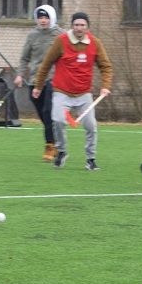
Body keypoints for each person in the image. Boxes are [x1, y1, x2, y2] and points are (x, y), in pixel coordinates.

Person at [32, 12, 112, 170]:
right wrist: (38, 86)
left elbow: (106, 66)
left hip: (84, 93)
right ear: (72, 26)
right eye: (76, 25)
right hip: (61, 91)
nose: (79, 28)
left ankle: (90, 159)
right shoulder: (61, 41)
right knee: (58, 120)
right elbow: (46, 64)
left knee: (90, 126)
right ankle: (61, 151)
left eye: (82, 25)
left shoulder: (95, 43)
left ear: (87, 27)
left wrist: (105, 86)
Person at [14, 5, 65, 161]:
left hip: (53, 79)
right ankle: (56, 139)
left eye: (46, 17)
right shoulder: (32, 35)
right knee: (44, 116)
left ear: (52, 18)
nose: (43, 21)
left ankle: (50, 146)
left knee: (47, 111)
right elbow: (25, 58)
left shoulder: (61, 35)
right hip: (35, 80)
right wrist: (20, 75)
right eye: (40, 17)